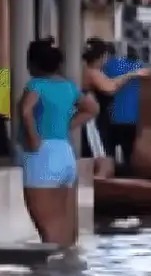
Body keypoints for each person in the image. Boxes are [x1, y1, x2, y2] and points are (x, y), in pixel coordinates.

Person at [18, 43, 98, 247]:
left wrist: (34, 137)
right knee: (68, 233)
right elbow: (92, 109)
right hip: (65, 154)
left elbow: (26, 110)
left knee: (49, 232)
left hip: (43, 156)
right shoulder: (68, 86)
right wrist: (67, 125)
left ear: (32, 63)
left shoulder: (36, 85)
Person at [82, 38, 146, 160]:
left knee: (104, 155)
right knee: (100, 157)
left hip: (100, 120)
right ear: (103, 56)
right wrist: (132, 74)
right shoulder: (92, 72)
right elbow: (110, 87)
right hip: (93, 122)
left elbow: (110, 83)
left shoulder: (95, 71)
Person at [102, 46, 149, 173]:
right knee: (129, 156)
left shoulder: (109, 66)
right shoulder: (141, 68)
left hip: (112, 118)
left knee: (108, 154)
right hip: (133, 119)